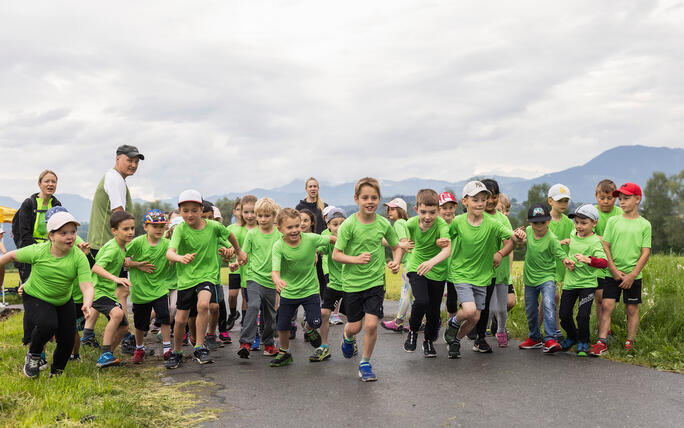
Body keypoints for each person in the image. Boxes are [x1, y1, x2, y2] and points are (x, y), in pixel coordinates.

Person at [0, 211, 93, 378]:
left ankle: (56, 373)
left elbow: (87, 285)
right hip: (36, 295)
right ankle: (33, 356)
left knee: (67, 338)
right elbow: (11, 255)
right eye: (63, 233)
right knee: (47, 324)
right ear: (51, 235)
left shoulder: (78, 256)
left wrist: (87, 303)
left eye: (73, 232)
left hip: (63, 300)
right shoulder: (38, 251)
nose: (70, 237)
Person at [165, 190, 246, 369]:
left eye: (194, 210)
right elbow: (170, 253)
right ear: (180, 211)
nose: (190, 214)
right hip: (186, 280)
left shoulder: (213, 227)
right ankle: (176, 351)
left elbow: (229, 236)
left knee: (203, 305)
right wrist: (180, 258)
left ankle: (199, 347)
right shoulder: (180, 230)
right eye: (185, 211)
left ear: (202, 210)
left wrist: (238, 251)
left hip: (207, 276)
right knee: (180, 320)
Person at [333, 177, 403, 381]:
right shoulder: (349, 225)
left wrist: (396, 262)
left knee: (371, 325)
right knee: (355, 327)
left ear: (379, 199)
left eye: (374, 197)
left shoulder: (383, 223)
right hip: (352, 284)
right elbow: (337, 254)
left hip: (375, 282)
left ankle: (365, 363)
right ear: (356, 199)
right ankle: (347, 337)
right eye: (365, 197)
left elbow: (396, 246)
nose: (370, 201)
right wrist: (355, 259)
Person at [442, 181, 514, 359]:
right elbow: (445, 238)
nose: (480, 203)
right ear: (465, 201)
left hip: (484, 276)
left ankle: (456, 340)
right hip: (461, 273)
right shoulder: (458, 222)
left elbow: (511, 240)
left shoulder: (492, 222)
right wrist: (440, 242)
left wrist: (503, 250)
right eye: (475, 199)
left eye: (483, 199)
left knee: (474, 318)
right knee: (468, 311)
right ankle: (453, 321)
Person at [84, 145, 144, 348]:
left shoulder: (114, 178)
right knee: (121, 290)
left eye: (136, 161)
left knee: (101, 288)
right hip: (106, 244)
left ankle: (88, 333)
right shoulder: (115, 179)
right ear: (118, 159)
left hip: (101, 242)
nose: (134, 165)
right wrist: (125, 248)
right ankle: (124, 335)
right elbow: (119, 214)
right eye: (130, 160)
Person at [591, 183, 651, 356]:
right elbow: (606, 246)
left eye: (626, 199)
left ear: (637, 199)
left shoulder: (644, 224)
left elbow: (645, 252)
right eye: (621, 199)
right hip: (613, 273)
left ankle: (630, 341)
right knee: (607, 305)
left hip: (633, 275)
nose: (622, 202)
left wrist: (632, 275)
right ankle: (602, 341)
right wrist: (614, 270)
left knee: (631, 309)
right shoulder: (613, 221)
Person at [271, 208, 334, 367]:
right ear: (280, 229)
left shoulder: (311, 239)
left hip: (310, 290)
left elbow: (331, 239)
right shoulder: (278, 246)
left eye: (297, 226)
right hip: (289, 292)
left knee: (316, 322)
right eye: (289, 227)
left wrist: (348, 244)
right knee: (283, 325)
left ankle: (309, 328)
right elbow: (275, 271)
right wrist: (277, 280)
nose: (294, 230)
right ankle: (285, 352)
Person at [513, 204, 569, 353]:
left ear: (549, 221)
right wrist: (517, 234)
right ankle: (534, 338)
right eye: (535, 223)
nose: (539, 226)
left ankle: (550, 338)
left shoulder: (552, 238)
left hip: (547, 278)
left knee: (549, 304)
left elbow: (560, 253)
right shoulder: (529, 232)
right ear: (529, 223)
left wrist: (566, 261)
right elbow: (519, 242)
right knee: (530, 309)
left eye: (542, 222)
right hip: (530, 278)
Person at [402, 189, 451, 357]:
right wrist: (402, 249)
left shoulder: (442, 225)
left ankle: (428, 341)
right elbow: (405, 242)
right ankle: (413, 331)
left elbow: (447, 251)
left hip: (437, 269)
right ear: (416, 209)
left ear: (438, 210)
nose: (428, 217)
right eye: (423, 212)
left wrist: (431, 262)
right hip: (416, 266)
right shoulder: (411, 224)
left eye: (432, 212)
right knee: (422, 301)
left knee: (434, 311)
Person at [557, 204, 607, 357]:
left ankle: (583, 342)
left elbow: (604, 262)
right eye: (577, 222)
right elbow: (571, 252)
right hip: (571, 283)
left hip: (587, 284)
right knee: (564, 315)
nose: (579, 226)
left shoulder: (595, 242)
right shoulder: (573, 234)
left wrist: (588, 259)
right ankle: (573, 337)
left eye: (583, 223)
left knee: (583, 316)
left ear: (594, 223)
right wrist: (568, 262)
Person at [126, 209, 174, 363]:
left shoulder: (168, 244)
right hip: (140, 290)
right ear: (146, 227)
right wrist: (137, 264)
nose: (159, 229)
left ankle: (167, 349)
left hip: (160, 288)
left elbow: (175, 256)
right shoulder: (137, 242)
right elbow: (123, 260)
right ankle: (139, 349)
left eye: (161, 226)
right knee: (140, 323)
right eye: (155, 226)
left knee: (165, 317)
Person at [237, 198, 281, 359]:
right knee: (254, 306)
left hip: (271, 280)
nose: (262, 219)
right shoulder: (252, 233)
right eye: (260, 215)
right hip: (253, 277)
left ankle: (269, 344)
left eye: (267, 216)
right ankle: (246, 343)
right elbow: (244, 254)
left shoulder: (279, 235)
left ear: (274, 216)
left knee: (270, 314)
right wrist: (237, 262)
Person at [91, 211, 136, 368]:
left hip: (108, 292)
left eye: (132, 228)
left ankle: (107, 356)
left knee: (124, 328)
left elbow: (120, 261)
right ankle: (105, 354)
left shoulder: (121, 247)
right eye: (125, 229)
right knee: (117, 314)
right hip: (98, 291)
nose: (130, 232)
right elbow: (96, 267)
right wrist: (116, 278)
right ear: (114, 230)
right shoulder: (112, 248)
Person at [475, 179, 513, 350]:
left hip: (500, 270)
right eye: (487, 197)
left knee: (502, 307)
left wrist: (500, 254)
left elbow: (509, 241)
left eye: (494, 196)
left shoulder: (502, 219)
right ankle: (480, 335)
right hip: (481, 272)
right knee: (486, 308)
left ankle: (502, 330)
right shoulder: (475, 217)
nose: (490, 201)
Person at [12, 170, 61, 287]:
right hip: (30, 252)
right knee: (30, 287)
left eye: (53, 182)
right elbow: (24, 233)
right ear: (39, 184)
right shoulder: (29, 204)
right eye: (47, 181)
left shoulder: (56, 204)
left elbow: (59, 229)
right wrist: (40, 250)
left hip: (50, 252)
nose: (50, 184)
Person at [310, 208, 346, 362]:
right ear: (329, 226)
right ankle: (324, 347)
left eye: (342, 223)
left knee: (351, 318)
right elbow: (320, 248)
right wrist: (314, 252)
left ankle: (350, 339)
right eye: (335, 224)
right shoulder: (326, 237)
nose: (338, 227)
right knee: (324, 314)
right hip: (335, 283)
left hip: (352, 283)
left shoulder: (351, 236)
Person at [593, 179, 622, 335]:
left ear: (615, 198)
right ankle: (603, 329)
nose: (605, 201)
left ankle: (605, 328)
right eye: (602, 198)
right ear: (596, 196)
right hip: (598, 262)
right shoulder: (592, 212)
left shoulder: (619, 213)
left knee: (608, 300)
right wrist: (601, 239)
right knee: (599, 297)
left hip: (615, 262)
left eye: (609, 198)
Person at [545, 183, 573, 340]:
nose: (563, 204)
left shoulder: (569, 222)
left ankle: (537, 328)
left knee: (553, 300)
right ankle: (555, 330)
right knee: (553, 297)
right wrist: (560, 242)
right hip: (548, 266)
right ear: (550, 201)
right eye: (560, 200)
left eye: (566, 201)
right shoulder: (545, 221)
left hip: (564, 266)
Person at [380, 198, 412, 333]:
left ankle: (398, 322)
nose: (389, 211)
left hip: (410, 263)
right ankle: (415, 322)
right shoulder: (406, 223)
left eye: (393, 208)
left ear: (401, 211)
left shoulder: (399, 224)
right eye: (388, 208)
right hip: (414, 261)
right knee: (412, 295)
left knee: (405, 293)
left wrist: (397, 262)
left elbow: (403, 244)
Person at [438, 192, 460, 323]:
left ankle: (451, 325)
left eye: (450, 207)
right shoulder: (435, 224)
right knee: (434, 298)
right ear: (438, 209)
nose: (448, 211)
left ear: (455, 208)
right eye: (444, 208)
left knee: (452, 301)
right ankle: (432, 320)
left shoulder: (458, 223)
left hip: (455, 268)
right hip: (438, 267)